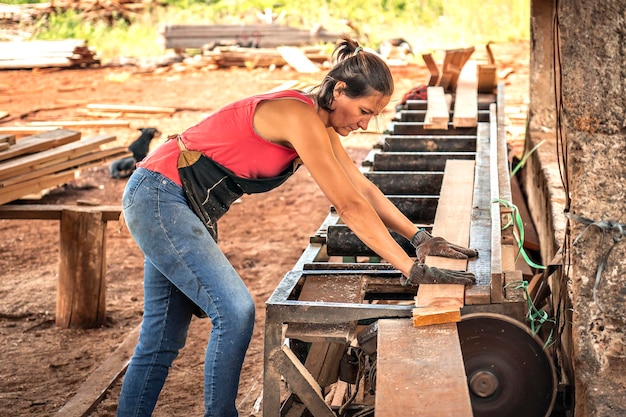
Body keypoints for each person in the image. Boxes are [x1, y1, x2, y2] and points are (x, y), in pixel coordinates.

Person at [116, 36, 478, 417]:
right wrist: (407, 268)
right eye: (363, 110)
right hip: (160, 196)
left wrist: (420, 238)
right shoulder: (298, 114)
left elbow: (361, 187)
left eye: (374, 115)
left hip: (178, 204)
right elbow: (348, 205)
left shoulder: (318, 120)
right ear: (339, 90)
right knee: (235, 312)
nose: (365, 123)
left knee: (161, 340)